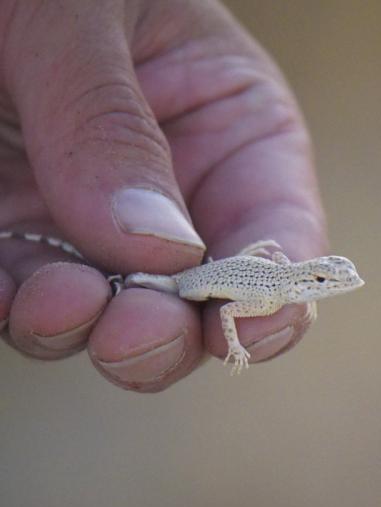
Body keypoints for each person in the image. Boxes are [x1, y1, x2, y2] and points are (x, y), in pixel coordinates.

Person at [0, 0, 327, 392]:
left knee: (129, 302)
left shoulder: (276, 282)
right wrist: (236, 346)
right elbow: (229, 315)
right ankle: (117, 279)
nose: (329, 286)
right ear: (310, 281)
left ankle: (114, 280)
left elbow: (262, 258)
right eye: (325, 280)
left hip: (201, 270)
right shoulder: (272, 296)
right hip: (189, 281)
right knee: (134, 285)